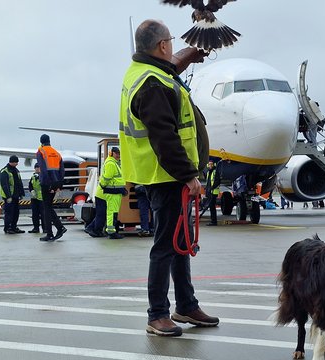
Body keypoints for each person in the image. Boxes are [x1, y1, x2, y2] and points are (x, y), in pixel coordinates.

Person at [119, 19, 218, 337]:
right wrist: (189, 175)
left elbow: (166, 72)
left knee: (179, 243)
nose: (173, 46)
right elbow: (165, 137)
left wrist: (187, 55)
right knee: (166, 245)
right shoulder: (152, 84)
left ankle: (186, 305)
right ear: (162, 46)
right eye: (172, 42)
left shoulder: (147, 72)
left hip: (165, 175)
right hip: (166, 176)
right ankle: (157, 314)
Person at [36, 134, 67, 242]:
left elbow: (43, 170)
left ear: (41, 142)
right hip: (56, 182)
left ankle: (50, 233)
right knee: (48, 207)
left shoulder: (41, 151)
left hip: (46, 183)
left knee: (46, 208)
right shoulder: (57, 153)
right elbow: (62, 170)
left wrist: (47, 183)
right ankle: (60, 227)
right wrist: (59, 184)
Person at [99, 147, 127, 239]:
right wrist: (103, 185)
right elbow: (107, 177)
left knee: (113, 211)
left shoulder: (114, 163)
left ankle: (111, 230)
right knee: (112, 211)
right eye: (117, 153)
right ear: (112, 153)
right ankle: (111, 231)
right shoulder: (111, 163)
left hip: (116, 191)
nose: (118, 155)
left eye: (119, 153)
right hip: (113, 191)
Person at [0, 155, 26, 234]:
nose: (17, 164)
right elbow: (4, 184)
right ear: (12, 162)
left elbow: (19, 182)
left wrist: (21, 193)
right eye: (16, 162)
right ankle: (8, 228)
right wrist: (8, 196)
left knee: (16, 212)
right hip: (9, 196)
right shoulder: (5, 171)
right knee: (9, 212)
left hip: (16, 195)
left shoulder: (16, 171)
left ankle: (14, 227)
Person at [28, 163, 44, 233]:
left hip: (42, 198)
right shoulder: (33, 177)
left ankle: (45, 228)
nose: (37, 169)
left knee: (43, 214)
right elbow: (30, 185)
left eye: (38, 167)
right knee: (35, 214)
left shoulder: (43, 176)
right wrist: (31, 190)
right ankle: (36, 228)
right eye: (36, 167)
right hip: (34, 198)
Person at [204, 160, 220, 226]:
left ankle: (214, 221)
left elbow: (217, 181)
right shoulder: (208, 172)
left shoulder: (215, 172)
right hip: (209, 192)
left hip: (213, 192)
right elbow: (208, 182)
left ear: (214, 165)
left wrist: (212, 188)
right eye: (209, 164)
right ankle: (213, 221)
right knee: (211, 207)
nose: (210, 165)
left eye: (211, 164)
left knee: (212, 207)